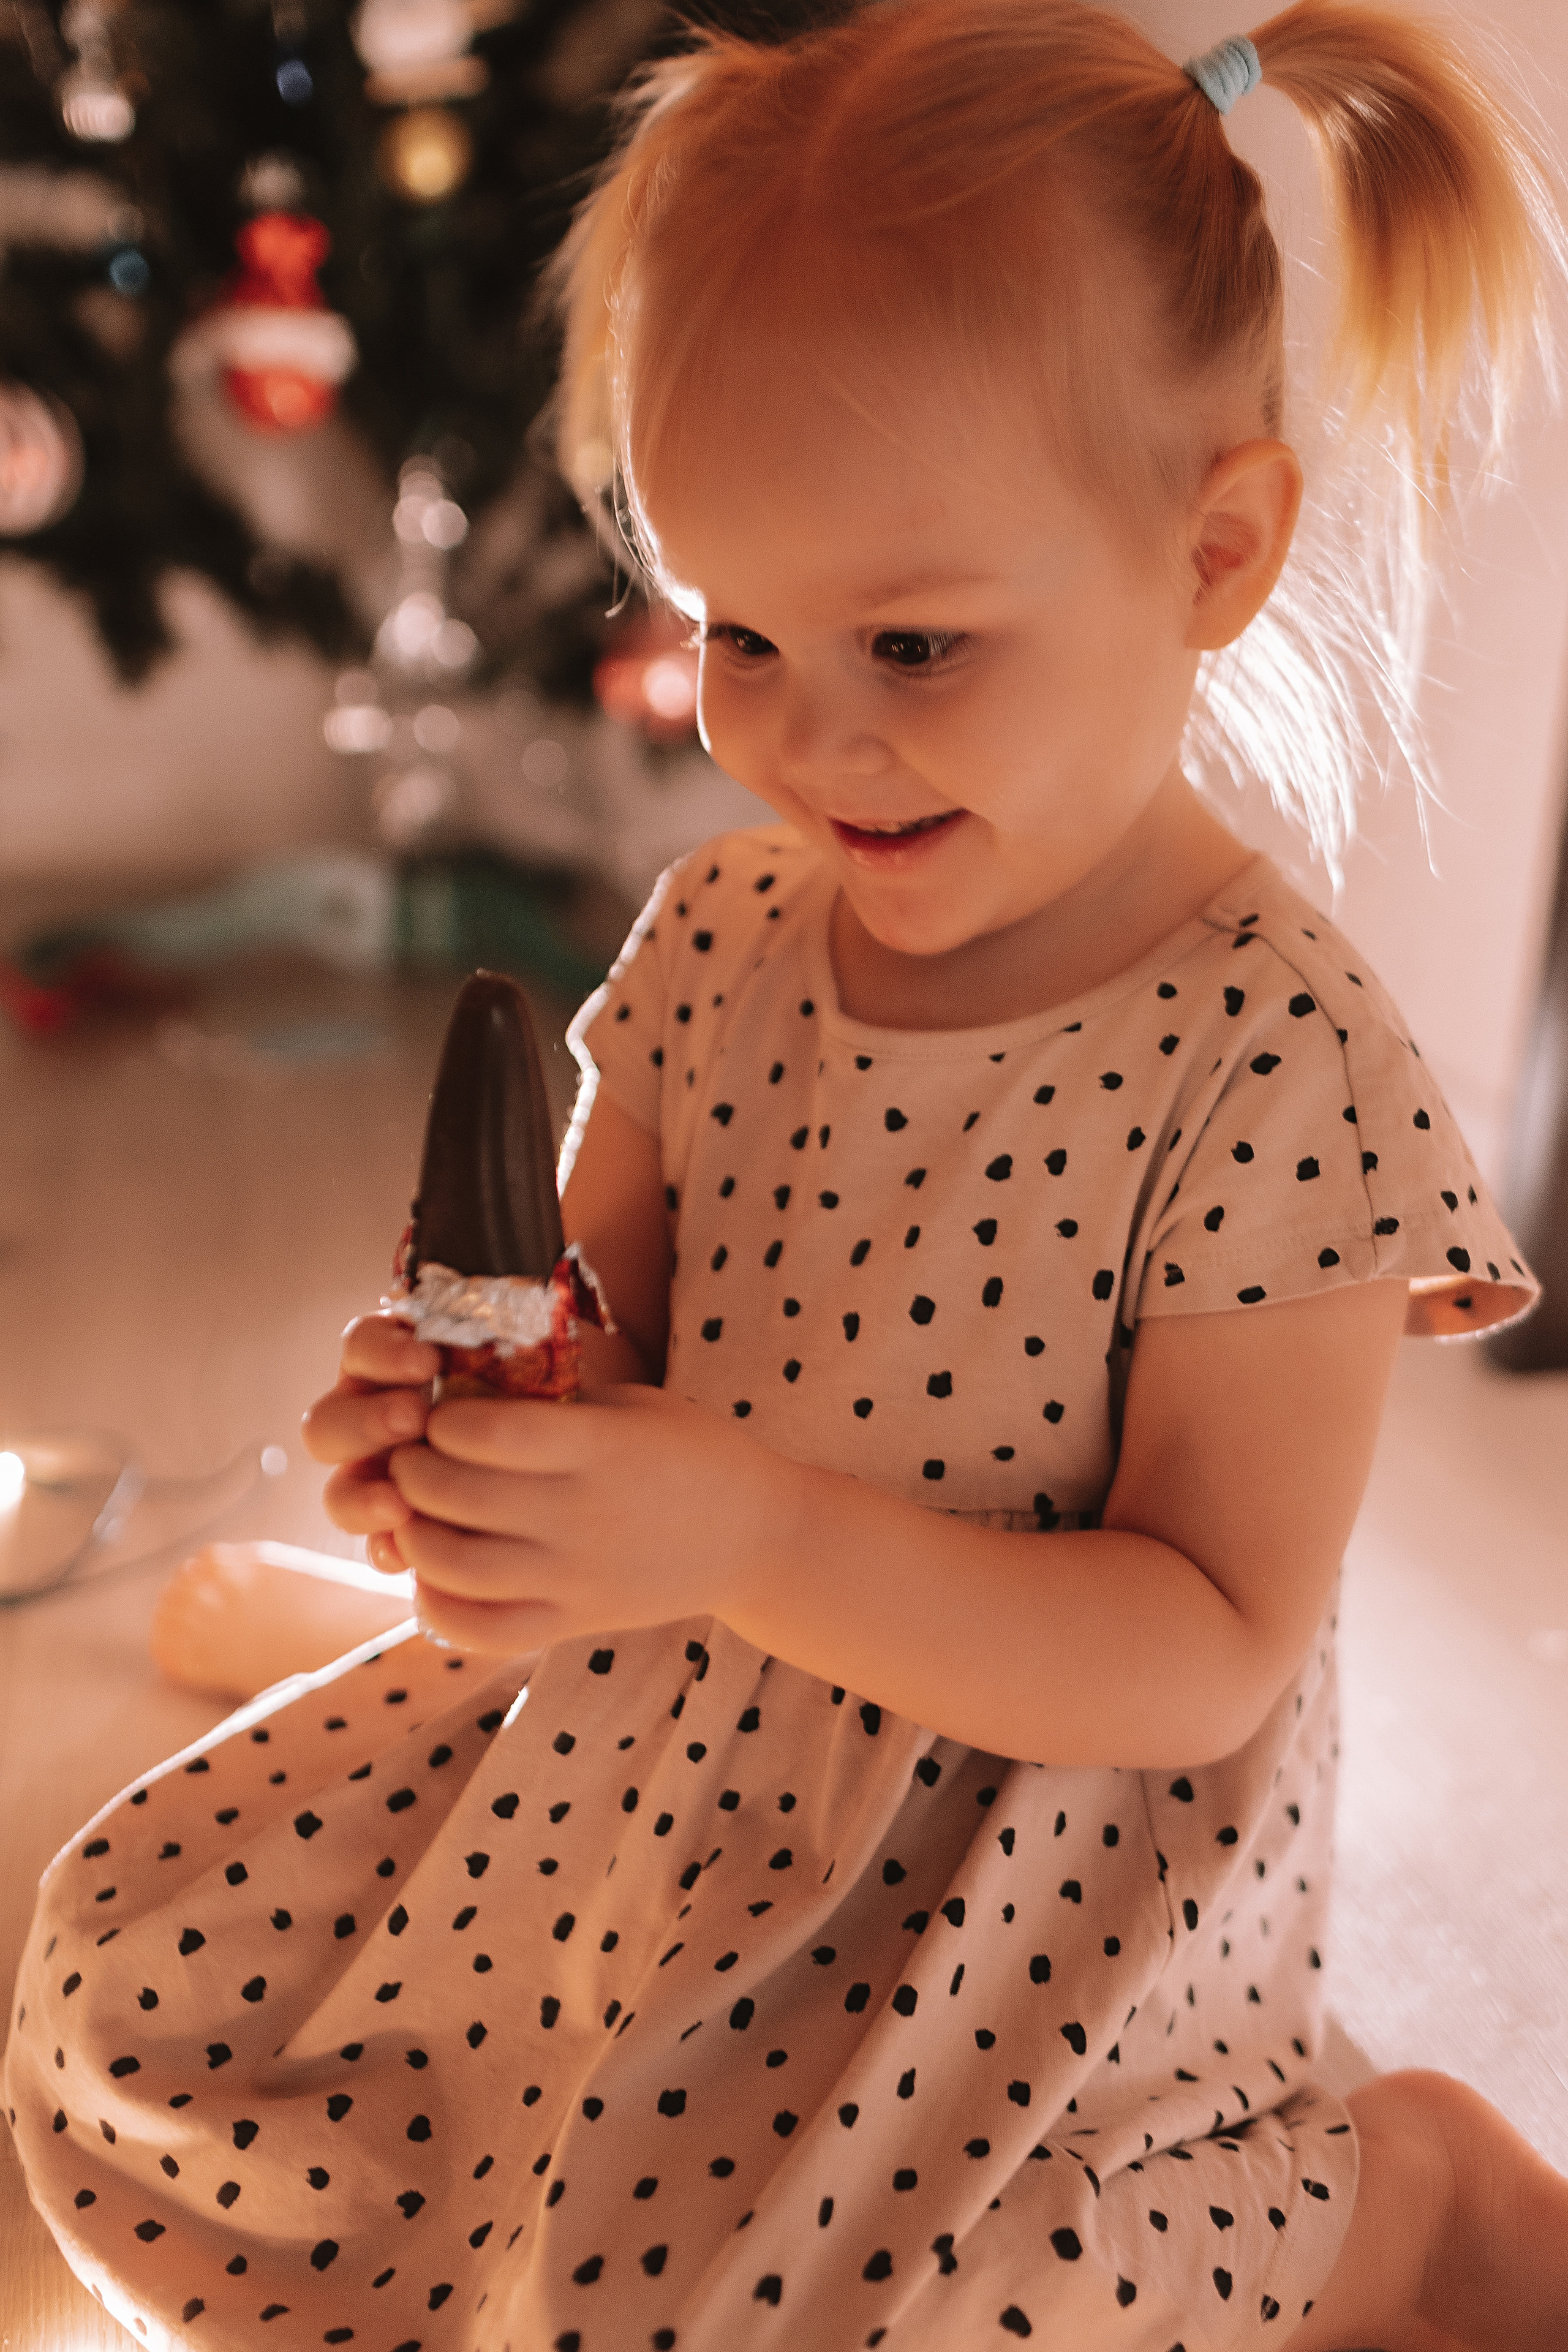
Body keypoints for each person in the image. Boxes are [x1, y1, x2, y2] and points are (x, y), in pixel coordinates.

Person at [9, 2, 1568, 2344]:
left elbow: (1203, 1646)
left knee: (782, 2306)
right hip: (664, 1741)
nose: (804, 734)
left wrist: (740, 1527)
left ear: (1216, 549)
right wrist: (481, 1445)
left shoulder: (1282, 1068)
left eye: (913, 644)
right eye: (736, 627)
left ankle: (1400, 2200)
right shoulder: (729, 936)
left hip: (1032, 1878)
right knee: (160, 2004)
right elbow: (607, 1324)